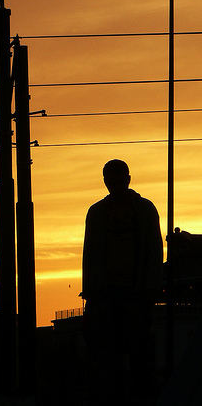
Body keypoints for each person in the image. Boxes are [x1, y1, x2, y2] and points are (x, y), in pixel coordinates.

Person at [81, 159, 163, 405]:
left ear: (128, 179)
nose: (114, 184)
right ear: (105, 181)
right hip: (106, 296)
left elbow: (154, 251)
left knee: (137, 356)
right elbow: (90, 254)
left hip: (135, 294)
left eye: (119, 178)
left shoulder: (145, 210)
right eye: (110, 179)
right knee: (108, 357)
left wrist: (150, 288)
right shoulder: (96, 213)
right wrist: (92, 293)